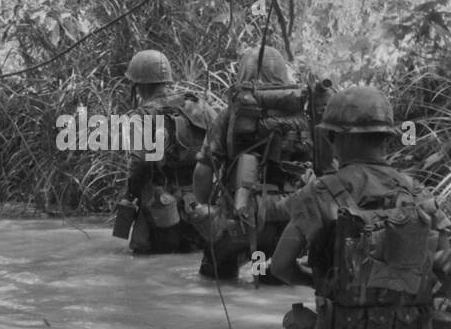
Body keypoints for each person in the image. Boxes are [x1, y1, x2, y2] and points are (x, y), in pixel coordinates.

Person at [270, 85, 451, 329]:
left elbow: (280, 266)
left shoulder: (320, 192)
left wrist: (322, 282)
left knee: (295, 322)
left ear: (333, 138)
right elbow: (444, 265)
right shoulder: (418, 192)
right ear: (386, 138)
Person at [191, 45, 315, 281]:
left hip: (237, 219)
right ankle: (266, 278)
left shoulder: (230, 116)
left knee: (213, 280)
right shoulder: (303, 116)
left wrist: (205, 207)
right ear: (283, 73)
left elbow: (203, 171)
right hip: (290, 223)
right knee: (277, 285)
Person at [118, 49, 216, 254]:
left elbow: (139, 163)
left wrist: (129, 197)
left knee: (147, 259)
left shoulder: (144, 114)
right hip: (199, 210)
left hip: (162, 212)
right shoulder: (199, 107)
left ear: (139, 85)